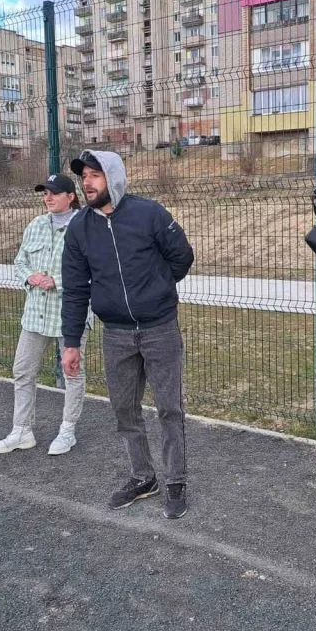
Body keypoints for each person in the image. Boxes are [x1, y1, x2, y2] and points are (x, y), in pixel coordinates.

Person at [60, 149, 195, 520]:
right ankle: (143, 477)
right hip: (116, 333)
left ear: (114, 177)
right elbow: (75, 289)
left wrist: (156, 288)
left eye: (95, 175)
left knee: (169, 408)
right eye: (84, 176)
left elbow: (182, 257)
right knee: (124, 410)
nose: (87, 183)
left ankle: (176, 480)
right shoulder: (79, 228)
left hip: (159, 329)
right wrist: (71, 343)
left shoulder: (149, 214)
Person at [0, 173, 90, 456]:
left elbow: (95, 270)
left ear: (71, 196)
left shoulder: (85, 227)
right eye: (45, 193)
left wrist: (57, 280)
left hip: (69, 313)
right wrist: (29, 276)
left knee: (72, 372)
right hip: (35, 313)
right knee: (22, 370)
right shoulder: (35, 225)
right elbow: (20, 261)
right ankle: (22, 430)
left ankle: (67, 429)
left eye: (54, 193)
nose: (48, 198)